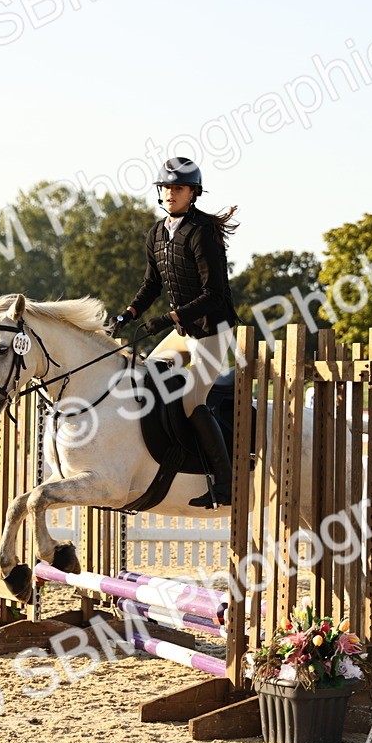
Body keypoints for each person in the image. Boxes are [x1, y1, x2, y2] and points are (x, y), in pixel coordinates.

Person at [108, 156, 239, 508]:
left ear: (192, 193)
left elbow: (215, 295)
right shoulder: (157, 232)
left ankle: (225, 484)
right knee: (150, 377)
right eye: (166, 187)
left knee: (192, 399)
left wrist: (167, 318)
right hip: (184, 329)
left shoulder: (202, 233)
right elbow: (151, 284)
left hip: (212, 329)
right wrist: (129, 313)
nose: (170, 193)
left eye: (178, 188)